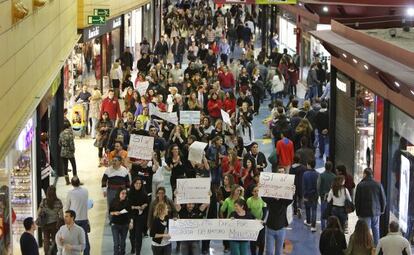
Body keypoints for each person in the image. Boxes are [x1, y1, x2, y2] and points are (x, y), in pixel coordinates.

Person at [355, 168, 386, 245]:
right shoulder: (378, 184)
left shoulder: (360, 185)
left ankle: (367, 246)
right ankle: (377, 247)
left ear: (365, 174)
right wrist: (382, 210)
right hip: (376, 212)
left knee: (366, 231)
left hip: (364, 213)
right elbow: (383, 199)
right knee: (376, 229)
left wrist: (358, 212)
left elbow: (357, 200)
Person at [262, 180, 294, 255]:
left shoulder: (284, 202)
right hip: (270, 228)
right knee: (269, 252)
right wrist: (263, 188)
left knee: (279, 251)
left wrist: (292, 191)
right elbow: (263, 197)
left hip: (281, 229)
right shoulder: (270, 201)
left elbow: (290, 198)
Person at [66, 177, 90, 255]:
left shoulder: (70, 193)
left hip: (74, 220)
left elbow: (67, 207)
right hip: (84, 218)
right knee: (85, 239)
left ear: (72, 183)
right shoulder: (85, 191)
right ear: (79, 182)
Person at [37, 186, 64, 254]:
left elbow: (38, 213)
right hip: (55, 224)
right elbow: (61, 215)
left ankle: (46, 253)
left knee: (46, 240)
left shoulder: (44, 201)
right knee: (55, 239)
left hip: (45, 224)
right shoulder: (58, 202)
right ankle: (54, 253)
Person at [128, 177, 149, 255]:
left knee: (138, 235)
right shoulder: (129, 194)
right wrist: (136, 207)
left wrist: (144, 205)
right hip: (132, 216)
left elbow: (147, 202)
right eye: (137, 183)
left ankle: (138, 252)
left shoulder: (144, 193)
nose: (138, 185)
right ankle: (133, 247)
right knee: (132, 234)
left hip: (141, 216)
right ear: (133, 184)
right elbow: (128, 206)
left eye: (140, 183)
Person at [109, 188, 132, 255]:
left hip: (124, 225)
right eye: (122, 193)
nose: (124, 195)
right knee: (116, 244)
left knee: (122, 243)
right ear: (119, 193)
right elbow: (110, 212)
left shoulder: (128, 202)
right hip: (115, 225)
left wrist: (131, 222)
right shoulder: (114, 201)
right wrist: (114, 213)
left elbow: (130, 213)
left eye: (125, 194)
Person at [247, 186, 266, 255]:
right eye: (255, 191)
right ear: (252, 192)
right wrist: (255, 219)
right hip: (253, 222)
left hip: (261, 222)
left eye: (258, 191)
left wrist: (261, 220)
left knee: (262, 241)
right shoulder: (249, 200)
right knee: (253, 240)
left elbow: (265, 210)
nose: (256, 192)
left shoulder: (263, 199)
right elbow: (249, 212)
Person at [318, 161, 336, 230]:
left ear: (325, 167)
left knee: (323, 213)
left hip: (323, 197)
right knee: (330, 213)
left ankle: (323, 228)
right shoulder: (334, 176)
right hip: (331, 198)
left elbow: (318, 186)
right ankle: (329, 227)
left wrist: (319, 194)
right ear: (331, 168)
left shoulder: (321, 175)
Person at [303, 159, 319, 232]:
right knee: (314, 209)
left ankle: (308, 221)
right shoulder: (317, 174)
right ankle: (313, 226)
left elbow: (304, 186)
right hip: (315, 194)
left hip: (307, 194)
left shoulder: (305, 174)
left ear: (309, 165)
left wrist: (304, 195)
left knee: (307, 208)